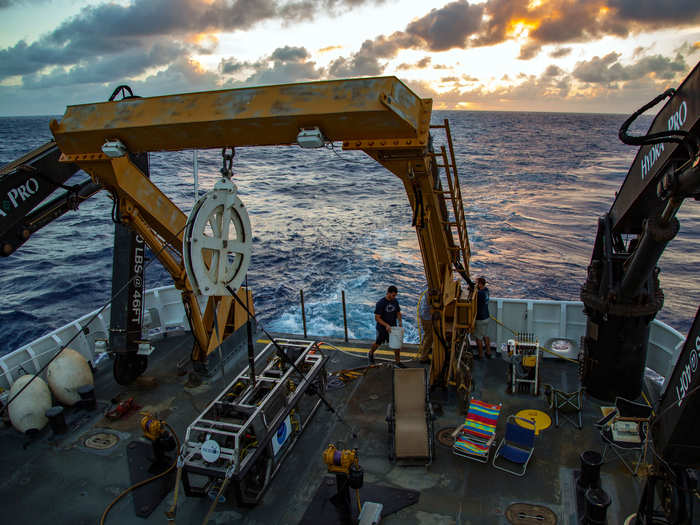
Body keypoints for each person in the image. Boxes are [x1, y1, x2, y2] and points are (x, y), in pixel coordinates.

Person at [368, 285, 403, 366]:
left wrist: (400, 321)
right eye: (393, 295)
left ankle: (398, 362)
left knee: (396, 345)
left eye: (395, 295)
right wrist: (386, 325)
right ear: (388, 293)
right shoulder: (380, 303)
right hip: (382, 328)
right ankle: (370, 353)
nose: (394, 297)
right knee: (378, 342)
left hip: (393, 327)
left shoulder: (395, 301)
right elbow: (377, 318)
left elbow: (398, 312)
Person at [473, 276, 492, 359]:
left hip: (480, 319)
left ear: (480, 284)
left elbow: (473, 296)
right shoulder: (486, 290)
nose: (476, 284)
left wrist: (473, 289)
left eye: (476, 283)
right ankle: (488, 352)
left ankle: (480, 355)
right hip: (486, 317)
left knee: (478, 338)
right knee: (485, 335)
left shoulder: (479, 293)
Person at [418, 288, 435, 364]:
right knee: (430, 336)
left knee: (427, 333)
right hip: (427, 317)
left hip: (424, 315)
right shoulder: (429, 292)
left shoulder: (427, 288)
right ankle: (423, 357)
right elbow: (430, 303)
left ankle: (423, 348)